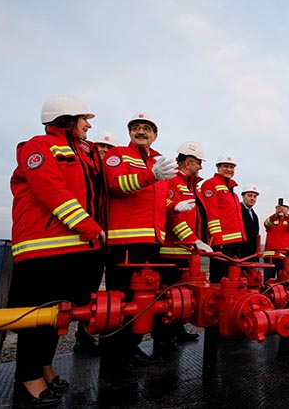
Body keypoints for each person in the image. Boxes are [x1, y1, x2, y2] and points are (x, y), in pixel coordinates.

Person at [9, 96, 107, 407]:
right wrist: (89, 227)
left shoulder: (82, 152)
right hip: (43, 248)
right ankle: (28, 377)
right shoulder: (37, 146)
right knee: (37, 318)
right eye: (83, 119)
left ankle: (45, 366)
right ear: (67, 118)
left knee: (57, 317)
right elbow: (51, 190)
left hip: (74, 247)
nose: (88, 125)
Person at [98, 112, 177, 384]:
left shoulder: (159, 161)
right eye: (136, 127)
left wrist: (174, 207)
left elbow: (159, 200)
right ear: (130, 132)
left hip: (152, 243)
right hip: (125, 243)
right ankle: (112, 364)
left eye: (147, 128)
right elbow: (116, 185)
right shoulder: (117, 155)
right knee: (120, 304)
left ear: (155, 135)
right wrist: (149, 175)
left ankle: (130, 350)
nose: (141, 131)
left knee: (143, 302)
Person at [157, 141, 212, 352]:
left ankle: (177, 330)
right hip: (172, 252)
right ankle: (162, 337)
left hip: (187, 252)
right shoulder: (172, 181)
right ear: (188, 162)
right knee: (168, 297)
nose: (200, 167)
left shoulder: (191, 185)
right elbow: (173, 218)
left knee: (182, 296)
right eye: (198, 163)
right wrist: (192, 240)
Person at [73, 132, 119, 354]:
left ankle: (86, 337)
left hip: (106, 242)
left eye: (109, 148)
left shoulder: (112, 174)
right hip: (85, 239)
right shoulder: (87, 171)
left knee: (97, 293)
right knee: (80, 291)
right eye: (101, 146)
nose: (104, 150)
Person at [201, 153, 246, 283]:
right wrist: (217, 240)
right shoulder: (210, 185)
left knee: (232, 280)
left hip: (236, 242)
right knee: (218, 279)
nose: (229, 169)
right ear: (218, 167)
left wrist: (242, 239)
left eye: (232, 167)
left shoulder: (232, 191)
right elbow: (211, 214)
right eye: (226, 166)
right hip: (222, 243)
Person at [263, 198, 289, 282]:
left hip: (284, 258)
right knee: (268, 282)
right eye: (278, 207)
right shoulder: (272, 220)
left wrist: (287, 217)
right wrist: (274, 216)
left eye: (284, 207)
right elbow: (266, 224)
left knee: (283, 282)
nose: (281, 209)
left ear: (287, 209)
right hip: (270, 258)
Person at [239, 184, 260, 259]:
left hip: (251, 255)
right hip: (240, 255)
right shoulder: (237, 211)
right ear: (243, 196)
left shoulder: (254, 216)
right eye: (250, 196)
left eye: (255, 197)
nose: (252, 199)